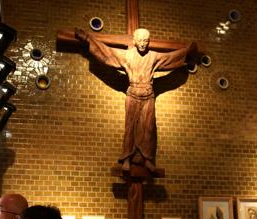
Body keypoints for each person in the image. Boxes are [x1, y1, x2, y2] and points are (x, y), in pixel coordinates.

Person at [75, 28, 197, 172]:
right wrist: (88, 39)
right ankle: (126, 158)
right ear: (134, 41)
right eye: (140, 40)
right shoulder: (127, 56)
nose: (142, 44)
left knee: (149, 128)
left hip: (148, 95)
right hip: (133, 94)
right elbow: (107, 53)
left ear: (149, 41)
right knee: (130, 127)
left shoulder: (154, 56)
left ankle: (147, 159)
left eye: (145, 41)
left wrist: (187, 51)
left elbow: (170, 58)